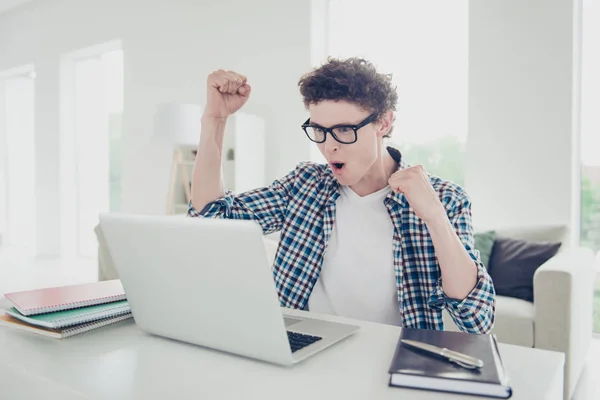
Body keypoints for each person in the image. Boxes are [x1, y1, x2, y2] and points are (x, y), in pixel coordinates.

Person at [188, 57, 495, 334]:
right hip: (304, 352)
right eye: (319, 130)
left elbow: (476, 319)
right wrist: (215, 120)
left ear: (383, 123)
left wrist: (435, 217)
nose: (328, 146)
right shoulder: (305, 185)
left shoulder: (445, 198)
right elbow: (211, 220)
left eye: (344, 130)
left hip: (396, 361)